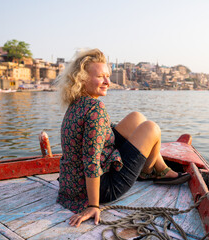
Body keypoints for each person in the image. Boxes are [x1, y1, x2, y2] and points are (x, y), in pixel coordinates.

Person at [56, 48, 190, 228]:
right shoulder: (95, 109)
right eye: (100, 77)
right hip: (102, 188)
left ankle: (161, 169)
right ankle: (150, 171)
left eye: (108, 76)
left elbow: (93, 139)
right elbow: (91, 160)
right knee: (151, 128)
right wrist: (93, 205)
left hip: (72, 185)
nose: (107, 82)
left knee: (137, 118)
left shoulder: (77, 105)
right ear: (82, 79)